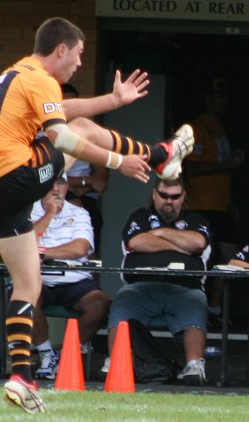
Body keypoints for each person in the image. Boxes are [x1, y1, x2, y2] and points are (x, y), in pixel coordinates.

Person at [0, 17, 194, 413]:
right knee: (85, 131)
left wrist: (113, 100)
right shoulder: (40, 77)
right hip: (14, 173)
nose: (78, 63)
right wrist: (119, 160)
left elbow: (64, 108)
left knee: (27, 285)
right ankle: (160, 156)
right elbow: (66, 136)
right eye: (78, 55)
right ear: (61, 49)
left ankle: (21, 376)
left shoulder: (19, 73)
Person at [102, 176, 211, 386]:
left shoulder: (196, 219)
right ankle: (115, 360)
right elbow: (136, 242)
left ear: (183, 197)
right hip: (141, 288)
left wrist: (160, 233)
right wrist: (179, 245)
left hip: (185, 288)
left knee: (197, 302)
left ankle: (194, 365)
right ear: (154, 195)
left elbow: (197, 242)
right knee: (122, 301)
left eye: (175, 197)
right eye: (163, 196)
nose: (168, 201)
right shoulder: (141, 216)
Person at [30, 174, 110, 379]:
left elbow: (80, 248)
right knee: (25, 297)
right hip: (40, 278)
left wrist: (42, 253)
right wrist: (49, 214)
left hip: (75, 279)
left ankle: (65, 355)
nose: (56, 189)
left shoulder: (80, 212)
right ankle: (46, 355)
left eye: (61, 184)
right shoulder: (28, 210)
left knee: (100, 302)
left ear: (67, 187)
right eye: (50, 185)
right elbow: (25, 245)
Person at [184, 76, 244, 327]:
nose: (223, 100)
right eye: (217, 94)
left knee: (232, 257)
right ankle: (198, 309)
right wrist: (226, 165)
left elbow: (223, 174)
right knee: (202, 257)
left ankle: (214, 306)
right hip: (201, 202)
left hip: (221, 204)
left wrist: (231, 201)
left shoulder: (220, 127)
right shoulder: (197, 127)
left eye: (225, 95)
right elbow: (189, 169)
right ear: (207, 97)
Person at [61, 83, 109, 257]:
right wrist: (85, 181)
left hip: (84, 195)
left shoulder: (89, 134)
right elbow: (45, 175)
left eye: (74, 105)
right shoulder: (42, 134)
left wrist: (80, 187)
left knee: (92, 220)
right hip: (49, 194)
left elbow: (101, 179)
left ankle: (86, 277)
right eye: (65, 105)